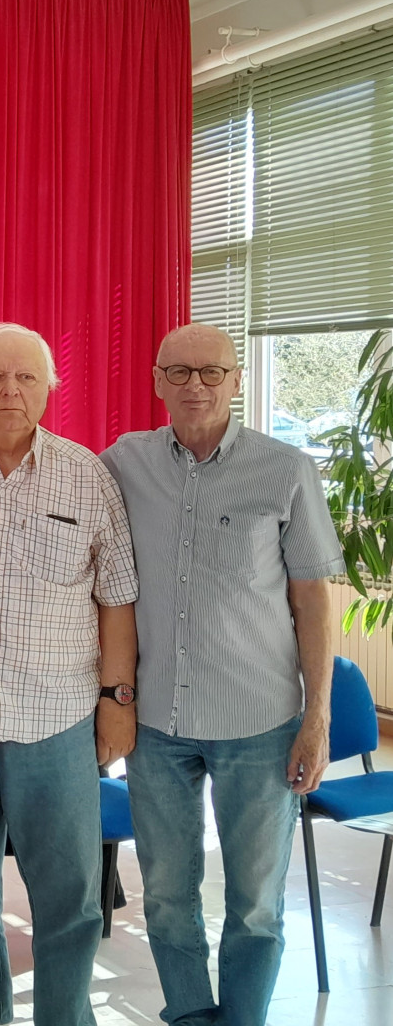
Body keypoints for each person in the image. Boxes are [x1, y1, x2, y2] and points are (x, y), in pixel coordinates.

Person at [101, 323, 342, 1026]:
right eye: (178, 372)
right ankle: (187, 1014)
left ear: (237, 380)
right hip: (157, 725)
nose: (196, 385)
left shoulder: (286, 469)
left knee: (256, 904)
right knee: (167, 896)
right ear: (157, 381)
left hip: (259, 722)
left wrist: (317, 718)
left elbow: (312, 600)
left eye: (212, 371)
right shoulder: (122, 463)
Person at [0, 322, 138, 1026]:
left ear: (49, 388)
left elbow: (117, 596)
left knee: (69, 897)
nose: (10, 391)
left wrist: (117, 699)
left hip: (57, 720)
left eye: (26, 378)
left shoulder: (87, 475)